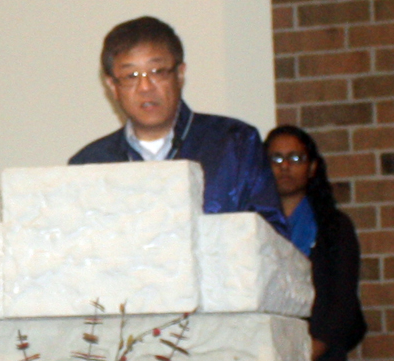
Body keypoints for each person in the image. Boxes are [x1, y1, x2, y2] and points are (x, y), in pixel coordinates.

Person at [69, 16, 288, 237]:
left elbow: (272, 240)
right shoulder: (89, 164)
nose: (145, 87)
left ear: (180, 74)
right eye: (131, 76)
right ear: (112, 86)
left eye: (157, 71)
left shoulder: (234, 143)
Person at [264, 125, 367, 361]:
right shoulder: (253, 226)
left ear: (311, 167)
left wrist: (302, 356)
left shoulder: (335, 227)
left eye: (295, 158)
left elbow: (341, 305)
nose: (284, 166)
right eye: (275, 158)